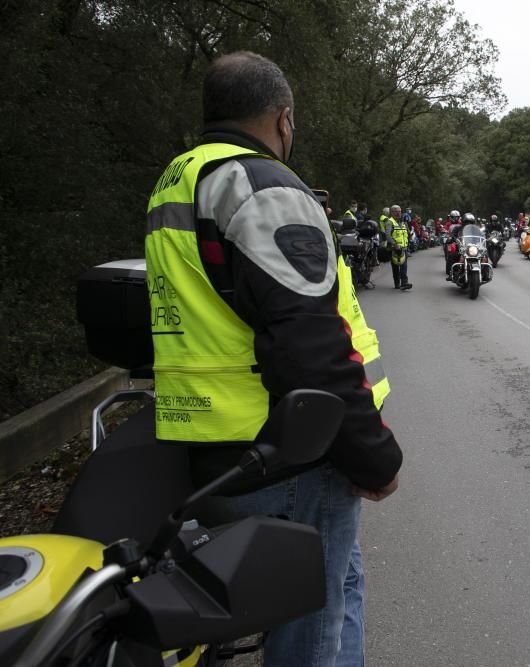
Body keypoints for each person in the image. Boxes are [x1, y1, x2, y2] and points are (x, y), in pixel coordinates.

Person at [145, 51, 401, 666]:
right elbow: (309, 345)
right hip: (287, 457)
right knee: (313, 628)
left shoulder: (177, 178)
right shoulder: (261, 185)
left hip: (214, 449)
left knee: (336, 587)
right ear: (283, 120)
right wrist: (374, 457)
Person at [387, 205, 412, 290]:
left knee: (404, 266)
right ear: (392, 212)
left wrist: (409, 236)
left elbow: (407, 233)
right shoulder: (390, 222)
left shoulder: (402, 222)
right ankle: (397, 283)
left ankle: (404, 283)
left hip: (403, 248)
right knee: (395, 267)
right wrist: (394, 244)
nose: (399, 213)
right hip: (394, 248)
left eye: (400, 211)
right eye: (397, 211)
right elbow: (388, 235)